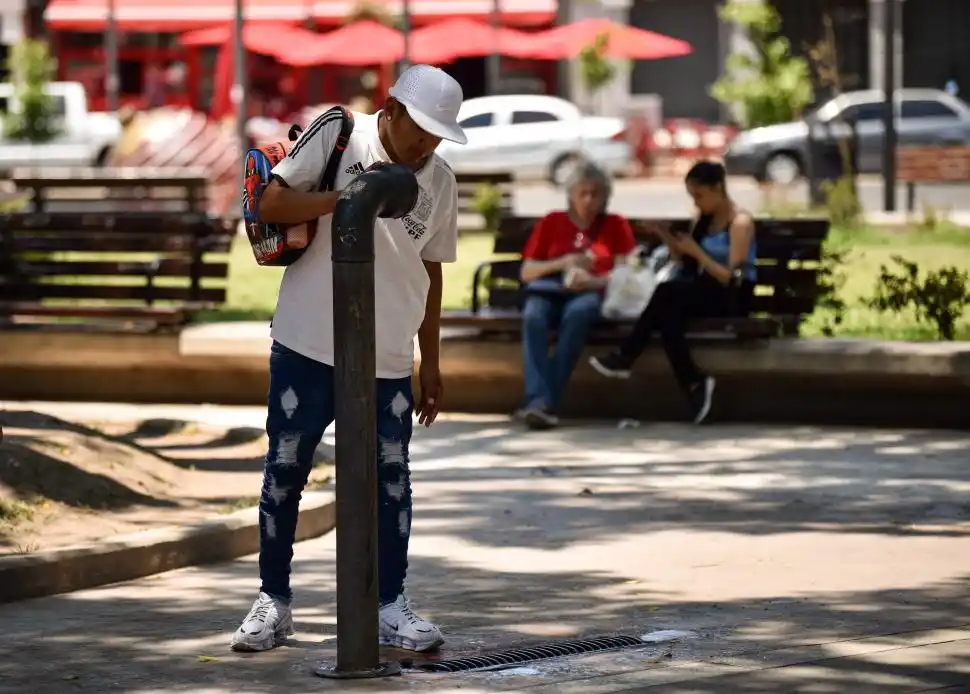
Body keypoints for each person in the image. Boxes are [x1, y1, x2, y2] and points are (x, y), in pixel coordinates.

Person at [230, 65, 467, 654]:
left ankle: (390, 605)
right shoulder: (341, 132)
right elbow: (275, 202)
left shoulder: (439, 181)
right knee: (285, 473)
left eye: (439, 135)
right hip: (307, 344)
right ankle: (273, 600)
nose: (427, 144)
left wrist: (428, 361)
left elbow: (431, 271)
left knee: (393, 484)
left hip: (387, 356)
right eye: (421, 130)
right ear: (392, 108)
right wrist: (355, 199)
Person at [589, 160, 756, 424]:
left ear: (718, 188)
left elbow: (733, 279)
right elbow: (683, 264)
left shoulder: (740, 223)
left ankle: (627, 356)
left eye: (700, 196)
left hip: (732, 295)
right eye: (692, 197)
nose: (697, 204)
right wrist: (665, 235)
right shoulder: (703, 220)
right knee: (668, 314)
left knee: (667, 296)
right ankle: (693, 382)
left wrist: (698, 252)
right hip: (705, 290)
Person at [517, 161, 636, 430]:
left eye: (595, 193)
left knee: (579, 314)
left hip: (590, 291)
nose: (589, 200)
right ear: (570, 194)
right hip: (548, 288)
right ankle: (542, 402)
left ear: (605, 196)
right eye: (583, 193)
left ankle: (539, 403)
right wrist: (564, 262)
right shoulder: (552, 221)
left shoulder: (615, 224)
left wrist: (594, 279)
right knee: (534, 316)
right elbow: (527, 271)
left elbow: (626, 273)